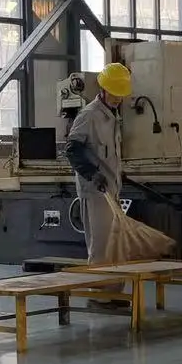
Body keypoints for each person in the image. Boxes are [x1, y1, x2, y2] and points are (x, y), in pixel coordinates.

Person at [64, 62, 131, 263]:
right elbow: (72, 149)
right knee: (101, 249)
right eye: (114, 93)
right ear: (104, 89)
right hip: (95, 192)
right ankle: (98, 284)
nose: (118, 98)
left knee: (113, 248)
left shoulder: (112, 116)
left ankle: (113, 283)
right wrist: (92, 173)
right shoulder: (89, 115)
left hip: (111, 190)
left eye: (121, 94)